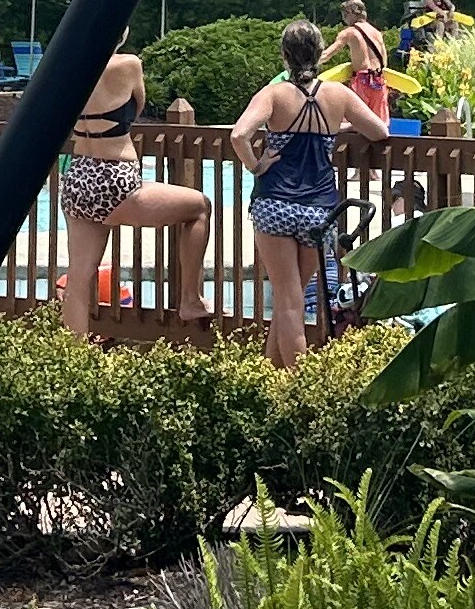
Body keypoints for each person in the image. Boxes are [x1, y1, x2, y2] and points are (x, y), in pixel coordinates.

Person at [228, 18, 386, 369]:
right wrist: (341, 125)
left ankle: (297, 383)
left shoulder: (274, 94)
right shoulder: (337, 95)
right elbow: (379, 131)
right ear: (320, 53)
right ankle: (272, 374)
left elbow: (238, 135)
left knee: (287, 300)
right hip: (320, 210)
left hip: (275, 204)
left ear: (284, 55)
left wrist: (256, 165)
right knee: (295, 294)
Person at [51, 45, 211, 345]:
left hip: (78, 175)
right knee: (199, 206)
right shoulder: (128, 64)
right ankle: (191, 299)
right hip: (115, 177)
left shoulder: (67, 65)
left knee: (79, 276)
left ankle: (71, 356)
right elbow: (137, 107)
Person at [332, 0, 391, 123]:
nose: (343, 19)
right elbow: (384, 63)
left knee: (355, 122)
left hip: (362, 81)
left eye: (344, 14)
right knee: (380, 123)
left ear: (352, 13)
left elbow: (328, 54)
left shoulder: (349, 32)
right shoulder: (377, 33)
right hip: (379, 81)